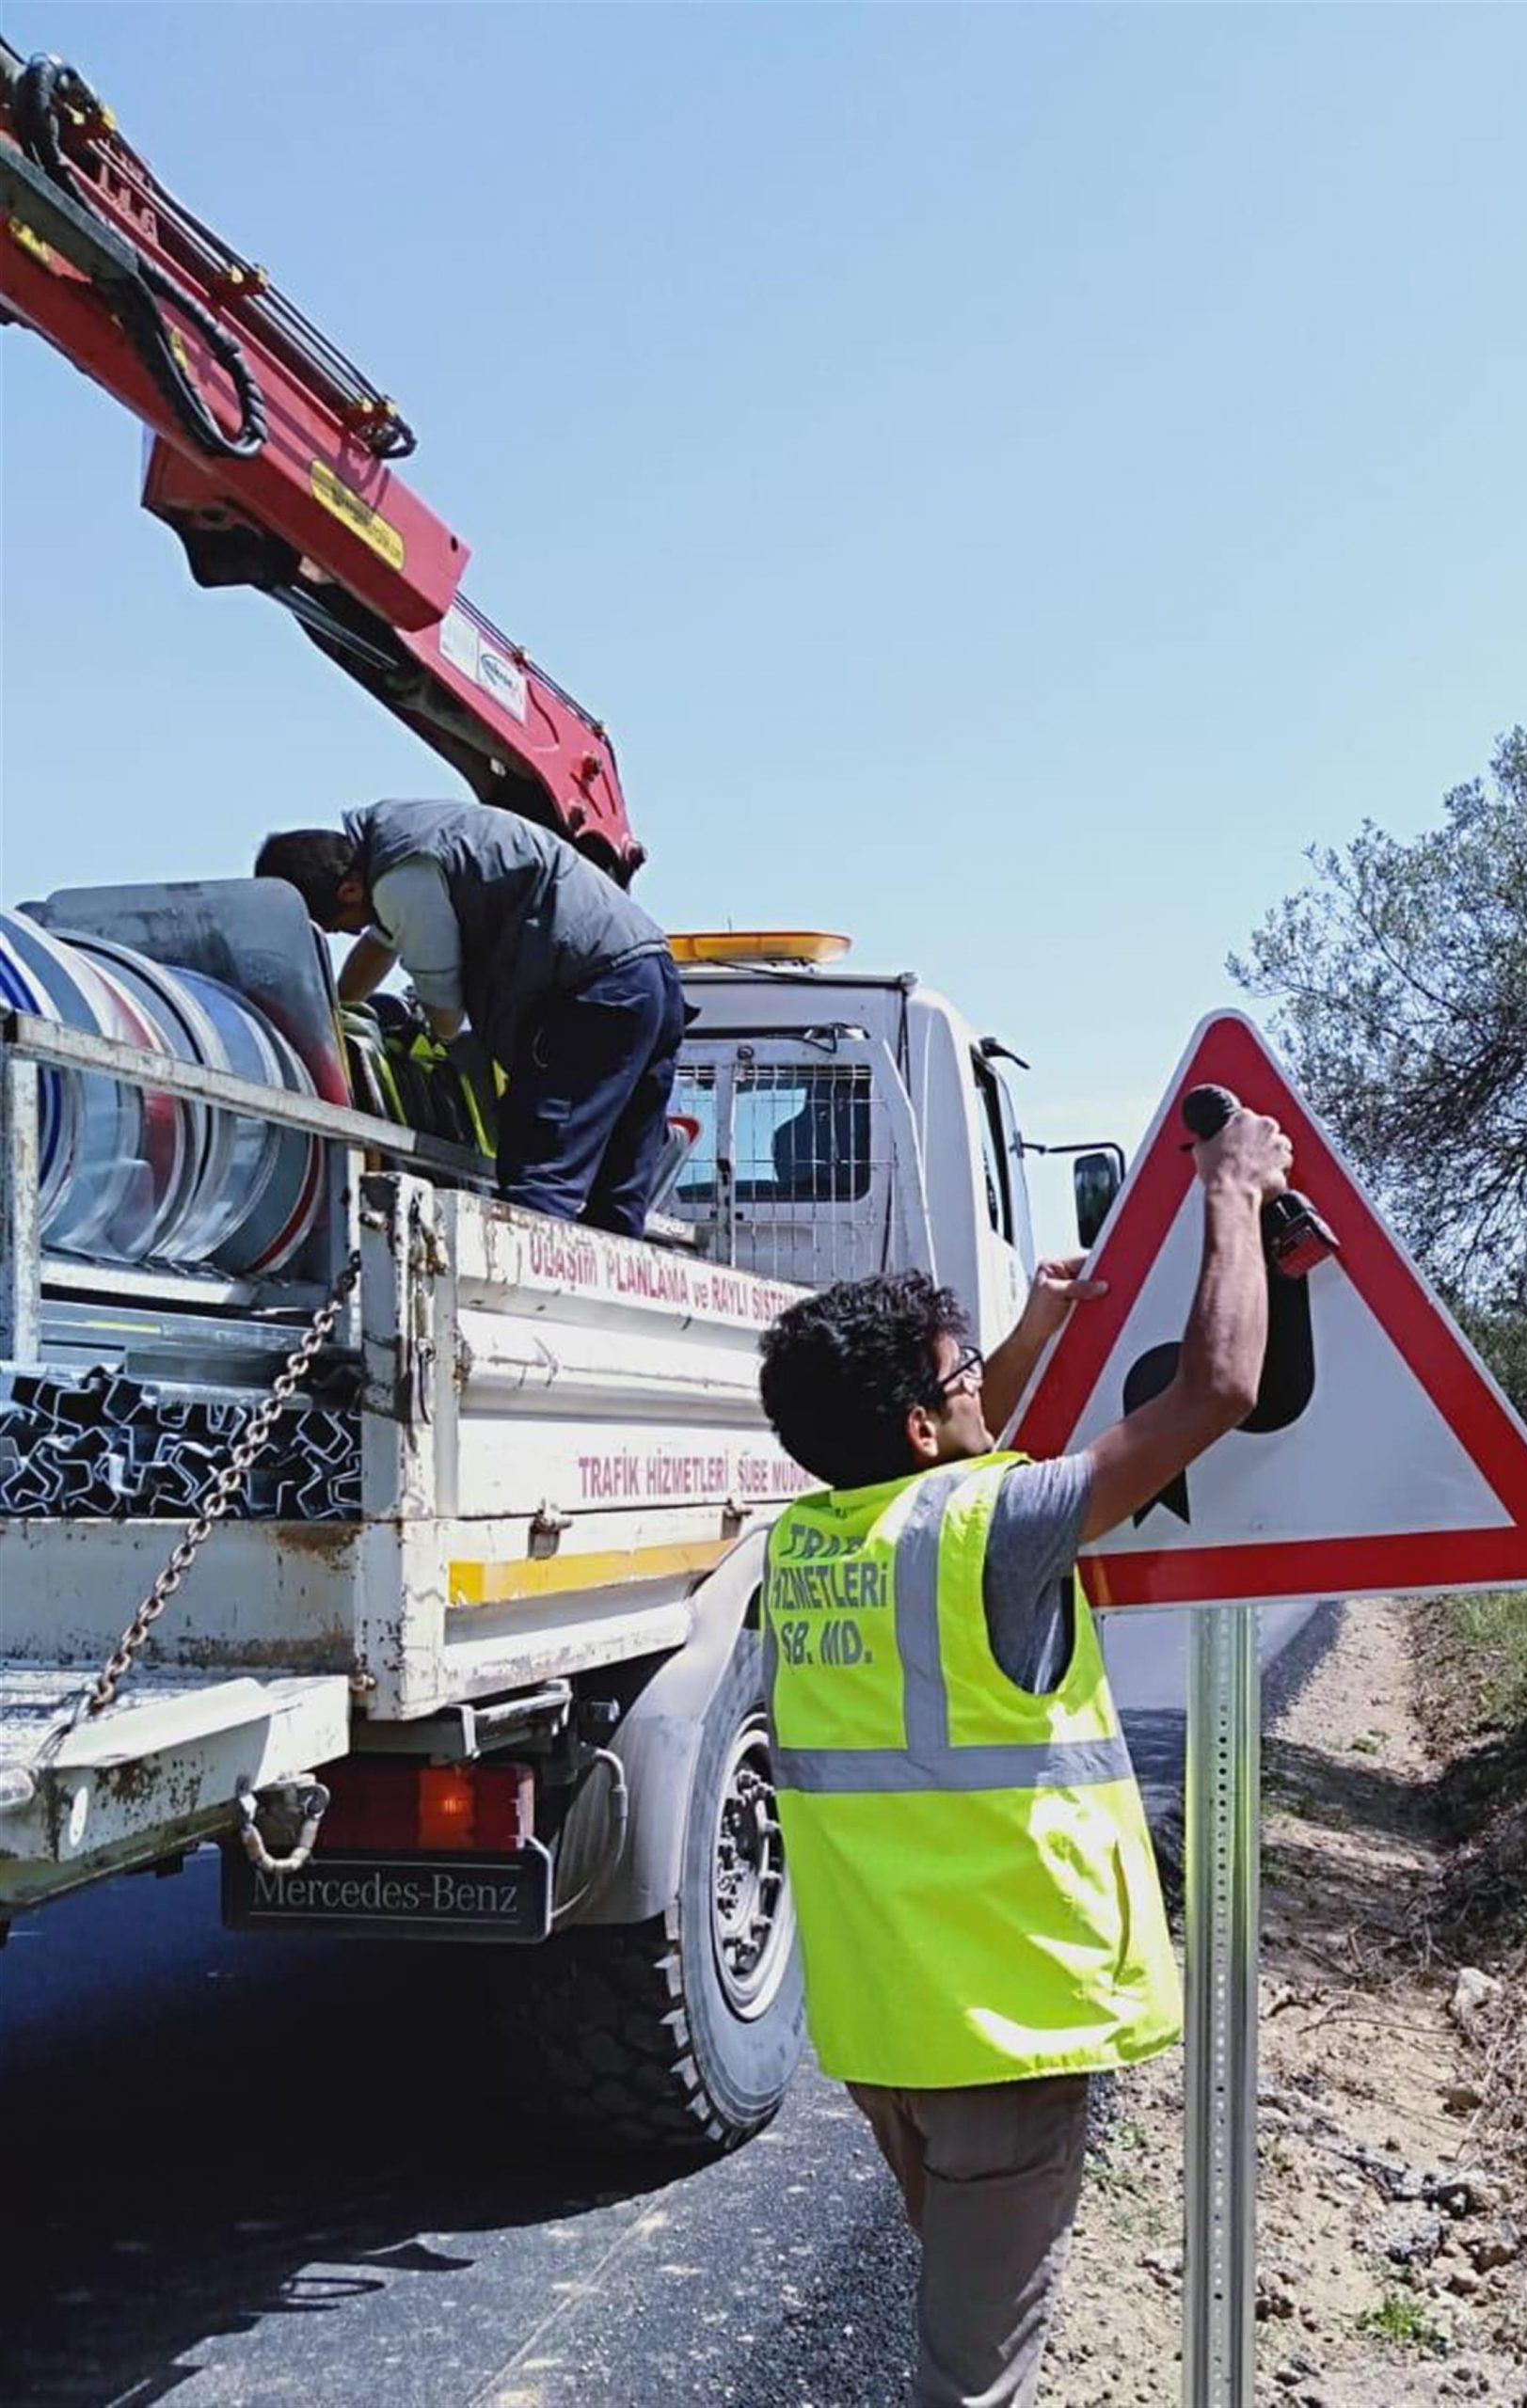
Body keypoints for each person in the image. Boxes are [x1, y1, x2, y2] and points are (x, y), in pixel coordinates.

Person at [754, 1103, 1294, 2408]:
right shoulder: (993, 1528)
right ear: (924, 1429)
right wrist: (1229, 1194)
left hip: (893, 2036)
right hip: (1007, 2029)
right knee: (970, 2380)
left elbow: (946, 1451)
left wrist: (1037, 1334)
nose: (976, 1389)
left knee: (969, 2317)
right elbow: (1215, 1390)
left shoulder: (808, 1542)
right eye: (958, 1380)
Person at [255, 799, 685, 1238]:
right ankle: (600, 1303)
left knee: (541, 1170)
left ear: (348, 891)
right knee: (619, 1181)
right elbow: (381, 945)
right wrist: (333, 1008)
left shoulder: (402, 880)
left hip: (590, 987)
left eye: (337, 926)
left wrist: (445, 1041)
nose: (346, 933)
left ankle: (522, 1296)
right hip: (650, 975)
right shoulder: (402, 844)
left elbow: (442, 999)